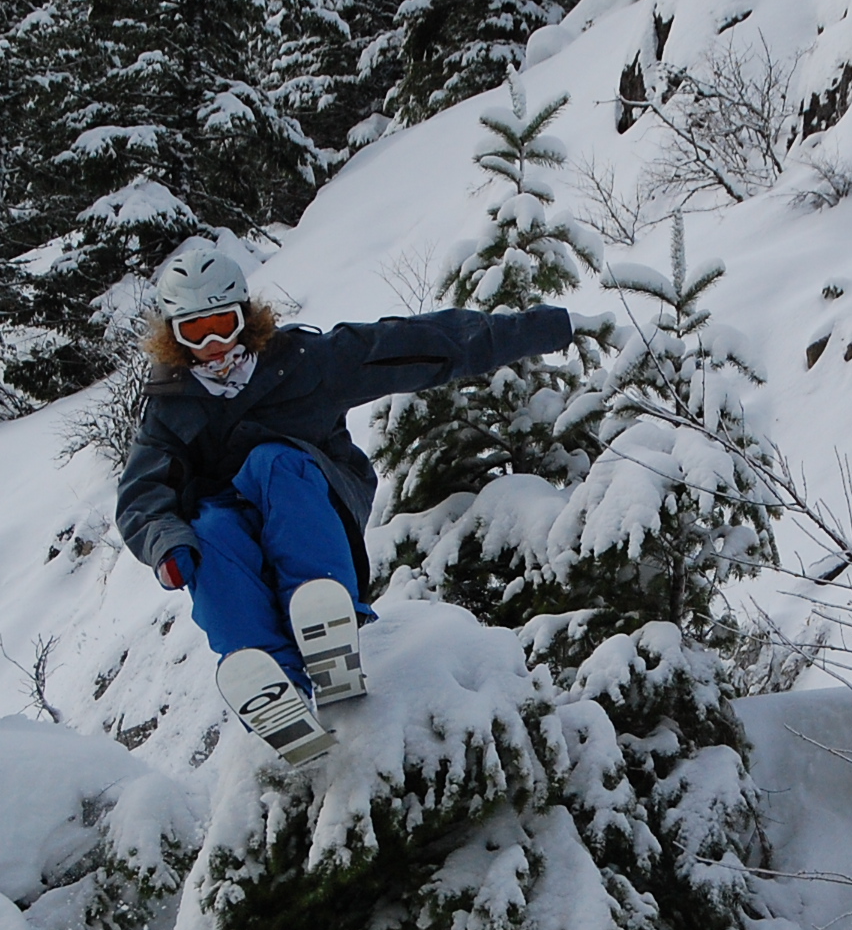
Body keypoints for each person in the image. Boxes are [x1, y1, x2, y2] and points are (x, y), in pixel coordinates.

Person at [116, 237, 574, 761]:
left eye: (224, 324)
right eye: (196, 332)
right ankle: (269, 679)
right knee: (208, 531)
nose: (215, 344)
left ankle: (323, 611)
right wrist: (165, 545)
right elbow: (141, 493)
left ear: (245, 317)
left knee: (274, 461)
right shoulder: (171, 409)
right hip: (236, 533)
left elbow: (414, 345)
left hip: (310, 499)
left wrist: (540, 329)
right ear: (174, 337)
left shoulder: (302, 363)